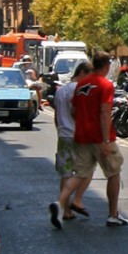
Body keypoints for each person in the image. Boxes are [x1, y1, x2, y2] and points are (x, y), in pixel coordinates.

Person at [50, 51, 127, 230]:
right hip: (99, 137)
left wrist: (84, 124)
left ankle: (61, 202)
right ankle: (113, 214)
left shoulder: (81, 84)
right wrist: (106, 139)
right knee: (113, 172)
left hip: (82, 136)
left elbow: (74, 112)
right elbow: (105, 112)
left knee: (81, 173)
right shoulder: (105, 85)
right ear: (107, 66)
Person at [53, 61, 92, 219]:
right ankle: (75, 201)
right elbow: (78, 113)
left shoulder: (61, 90)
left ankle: (65, 210)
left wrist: (60, 129)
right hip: (77, 135)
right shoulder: (79, 90)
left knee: (66, 173)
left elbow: (56, 115)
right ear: (82, 72)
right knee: (86, 170)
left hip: (63, 135)